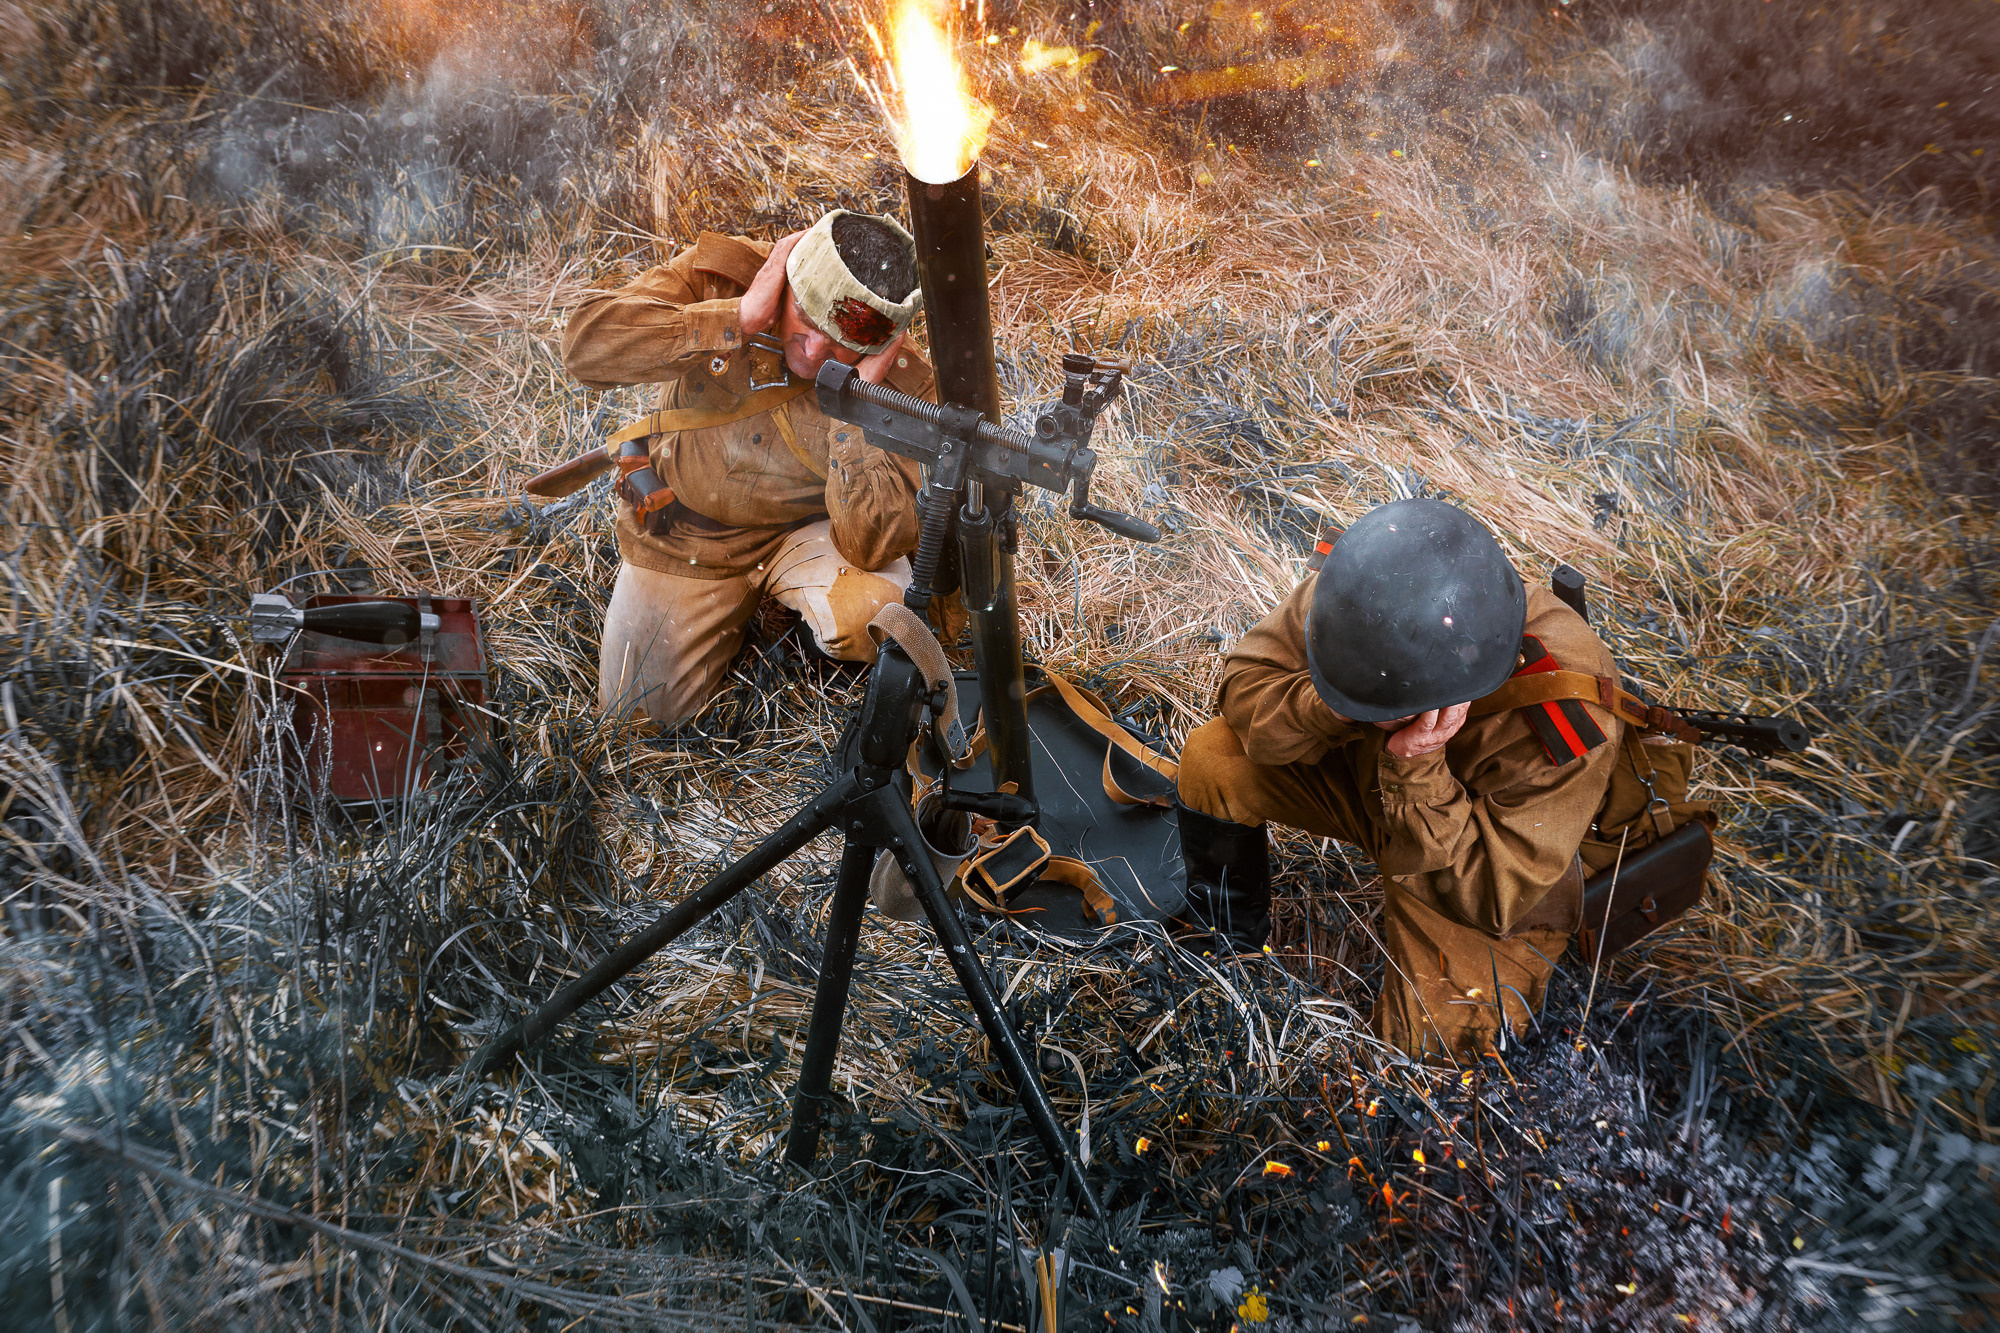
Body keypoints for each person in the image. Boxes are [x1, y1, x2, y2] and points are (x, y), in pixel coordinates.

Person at [1173, 498, 1622, 1061]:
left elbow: (1494, 898)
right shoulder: (1366, 591)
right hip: (1373, 786)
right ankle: (1223, 948)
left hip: (1471, 868)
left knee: (1421, 1059)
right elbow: (1246, 681)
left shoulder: (1565, 718)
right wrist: (1331, 707)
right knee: (1214, 758)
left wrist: (1417, 766)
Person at [560, 210, 934, 725]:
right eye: (806, 319)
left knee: (883, 616)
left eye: (841, 345)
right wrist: (736, 317)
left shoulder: (905, 385)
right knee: (637, 722)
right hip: (688, 536)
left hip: (803, 534)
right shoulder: (726, 275)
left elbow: (873, 544)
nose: (813, 351)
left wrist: (856, 411)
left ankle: (804, 642)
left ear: (879, 342)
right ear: (788, 278)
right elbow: (584, 348)